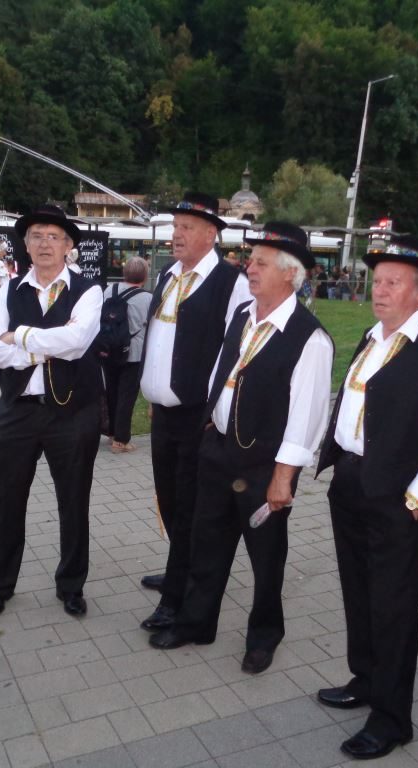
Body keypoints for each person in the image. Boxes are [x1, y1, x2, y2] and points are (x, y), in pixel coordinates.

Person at [313, 235, 418, 760]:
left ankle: (391, 718)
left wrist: (415, 500)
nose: (378, 290)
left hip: (401, 496)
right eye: (377, 281)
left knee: (394, 606)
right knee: (358, 591)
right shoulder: (372, 336)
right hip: (351, 482)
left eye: (392, 283)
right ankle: (365, 678)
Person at [149, 221, 333, 675]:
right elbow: (220, 374)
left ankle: (264, 636)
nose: (249, 268)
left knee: (266, 557)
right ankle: (196, 622)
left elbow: (307, 415)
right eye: (251, 260)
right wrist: (208, 428)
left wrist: (284, 477)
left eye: (261, 263)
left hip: (263, 464)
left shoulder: (309, 337)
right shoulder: (243, 316)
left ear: (290, 273)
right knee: (206, 542)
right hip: (217, 449)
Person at [0, 204, 103, 619]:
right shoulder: (10, 288)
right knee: (6, 501)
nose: (45, 243)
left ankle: (71, 586)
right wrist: (42, 348)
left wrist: (18, 336)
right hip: (16, 409)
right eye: (36, 236)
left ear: (68, 246)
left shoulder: (88, 290)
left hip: (73, 414)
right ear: (26, 245)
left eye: (53, 236)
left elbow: (77, 342)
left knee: (74, 502)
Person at [137, 192, 250, 630]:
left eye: (186, 227)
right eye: (175, 226)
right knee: (168, 498)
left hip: (197, 416)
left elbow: (236, 355)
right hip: (164, 413)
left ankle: (177, 598)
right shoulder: (169, 274)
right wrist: (153, 395)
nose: (176, 234)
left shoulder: (230, 282)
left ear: (211, 234)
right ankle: (178, 567)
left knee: (189, 506)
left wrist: (214, 415)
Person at [102, 256, 152, 453]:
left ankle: (112, 432)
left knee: (112, 392)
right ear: (145, 276)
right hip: (133, 353)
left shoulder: (109, 290)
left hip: (108, 349)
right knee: (127, 396)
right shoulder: (147, 298)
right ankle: (121, 440)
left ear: (124, 273)